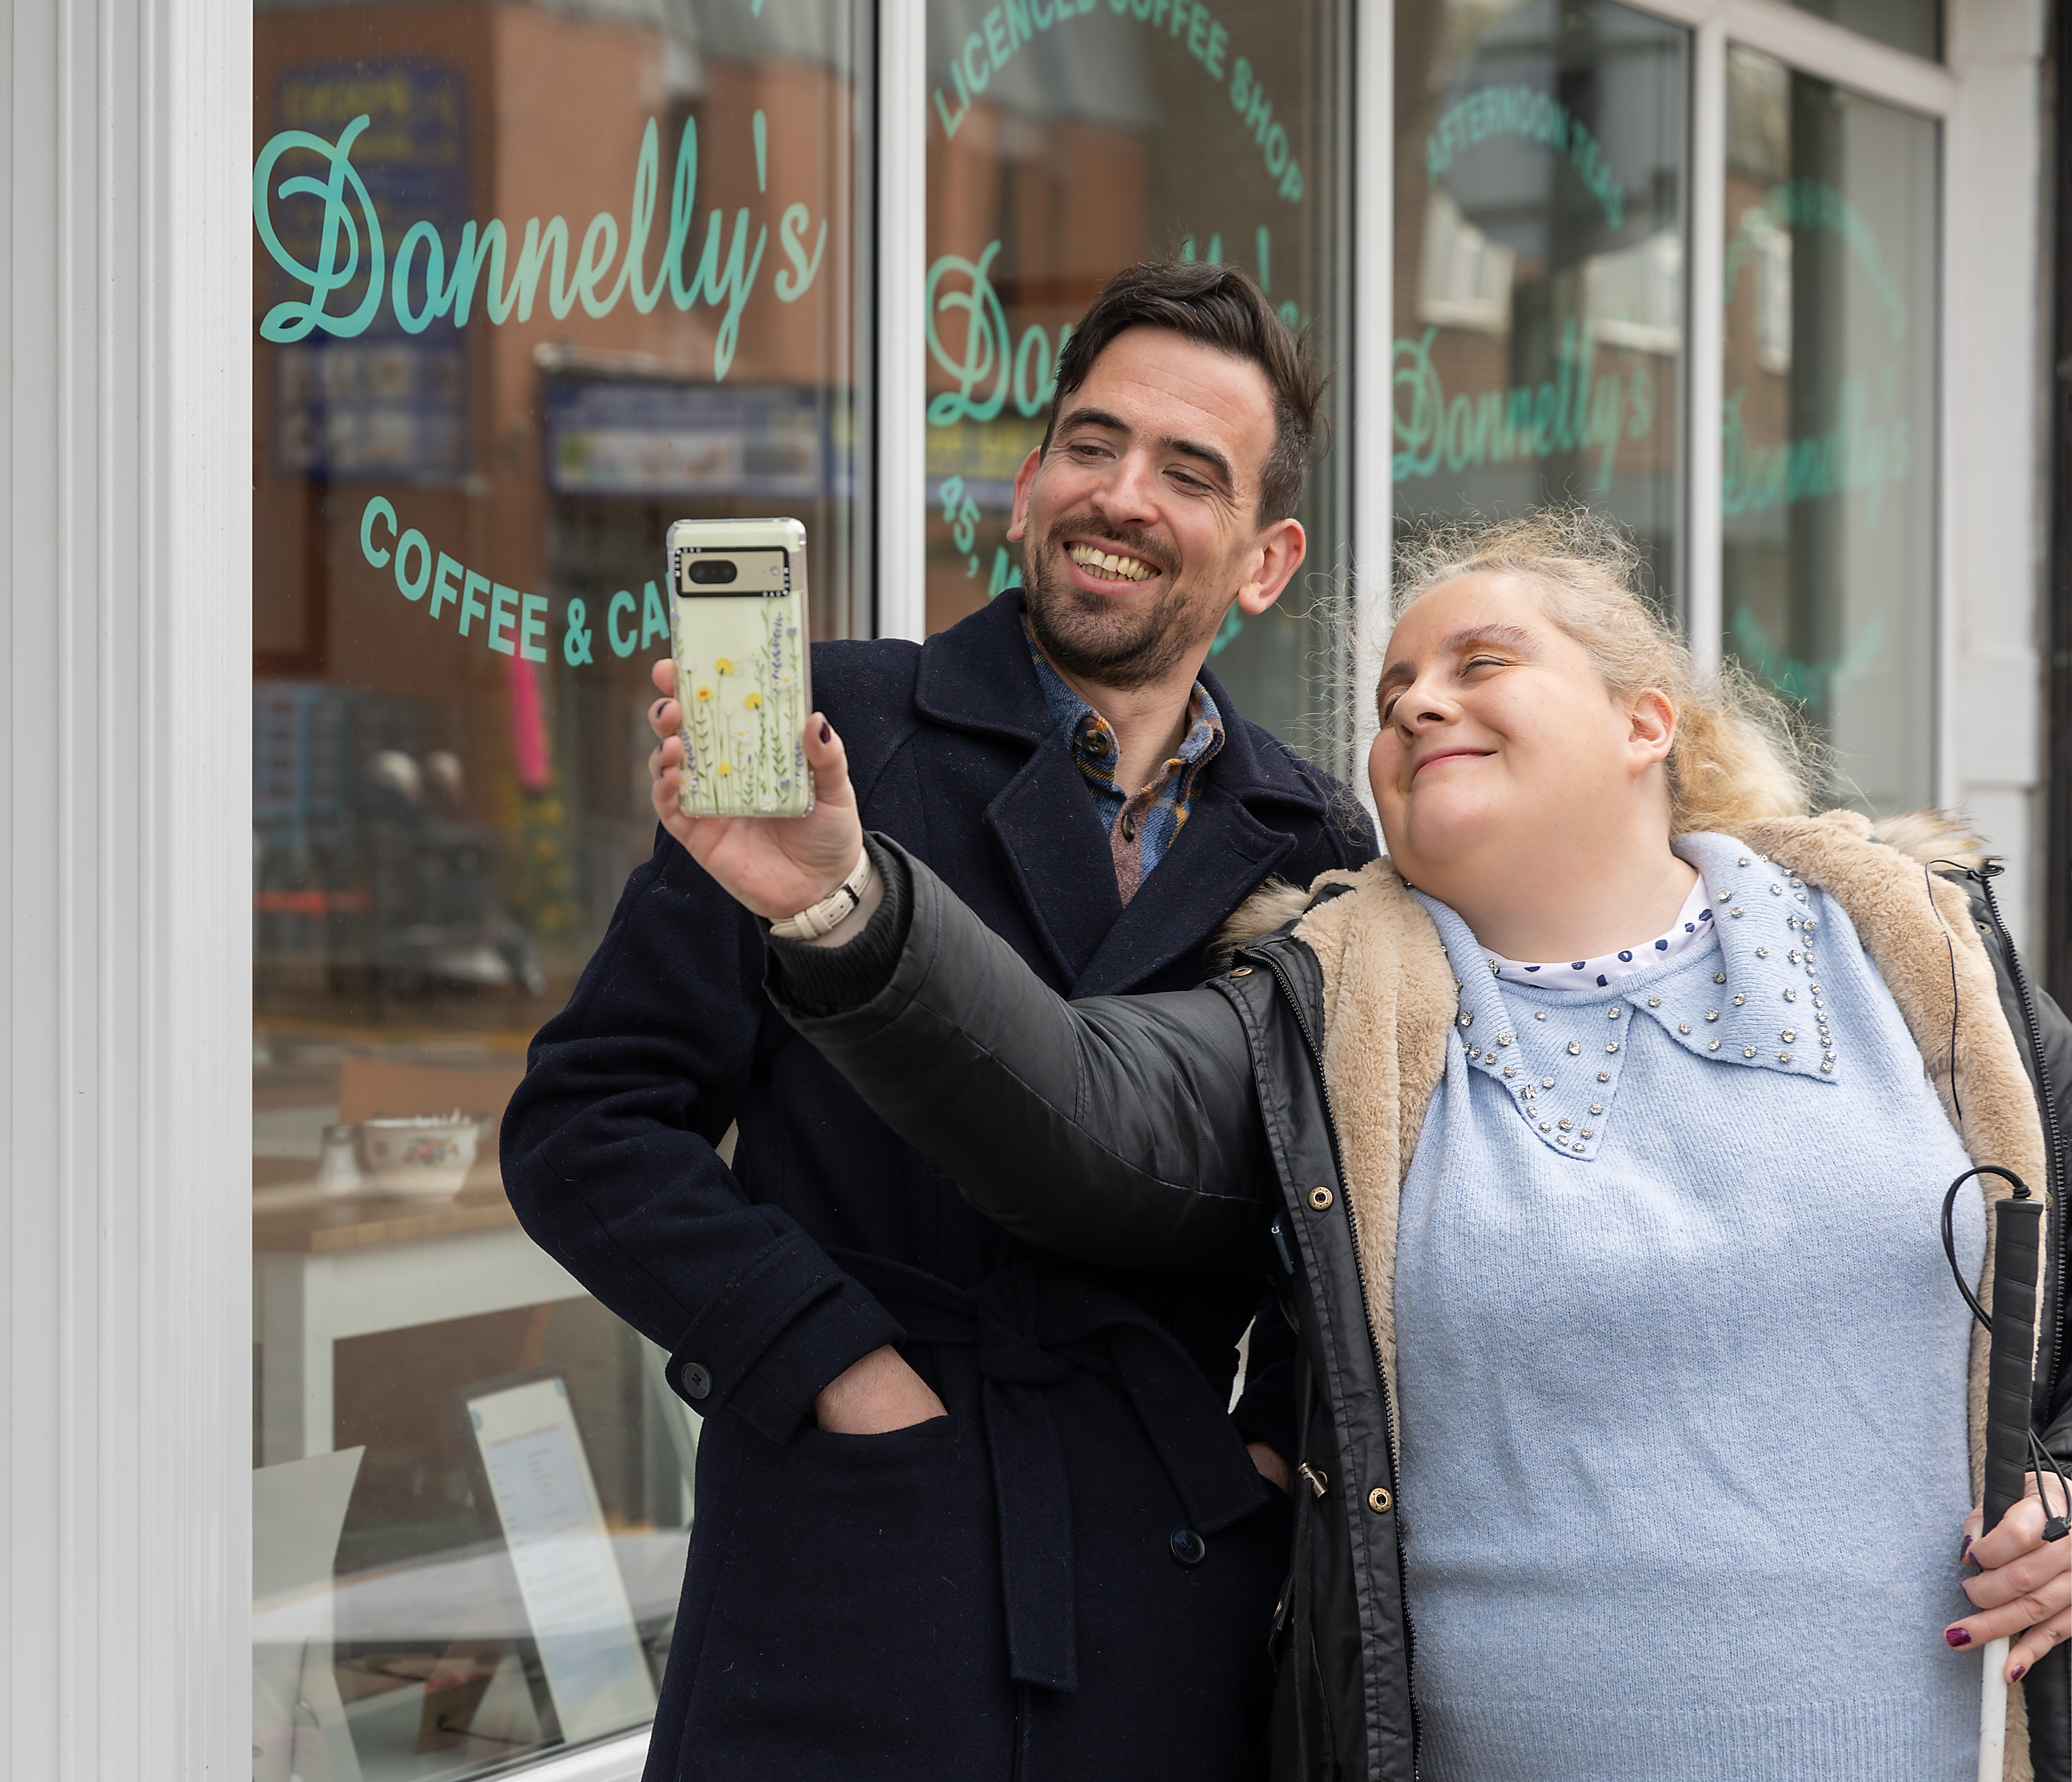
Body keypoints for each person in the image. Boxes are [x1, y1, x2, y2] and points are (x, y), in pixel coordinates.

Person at [646, 509, 2072, 1782]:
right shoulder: (1336, 1017)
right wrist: (841, 899)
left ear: (1648, 724)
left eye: (1480, 664)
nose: (1416, 706)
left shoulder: (1920, 961)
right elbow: (1079, 1110)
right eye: (1393, 697)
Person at [499, 260, 1376, 1781]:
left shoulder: (1315, 843)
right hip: (849, 1562)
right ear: (1026, 485)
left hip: (1170, 1561)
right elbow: (589, 1128)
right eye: (1092, 446)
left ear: (1264, 558)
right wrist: (835, 1369)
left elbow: (1361, 1205)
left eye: (1188, 471)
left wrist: (1273, 1437)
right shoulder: (839, 731)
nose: (1122, 495)